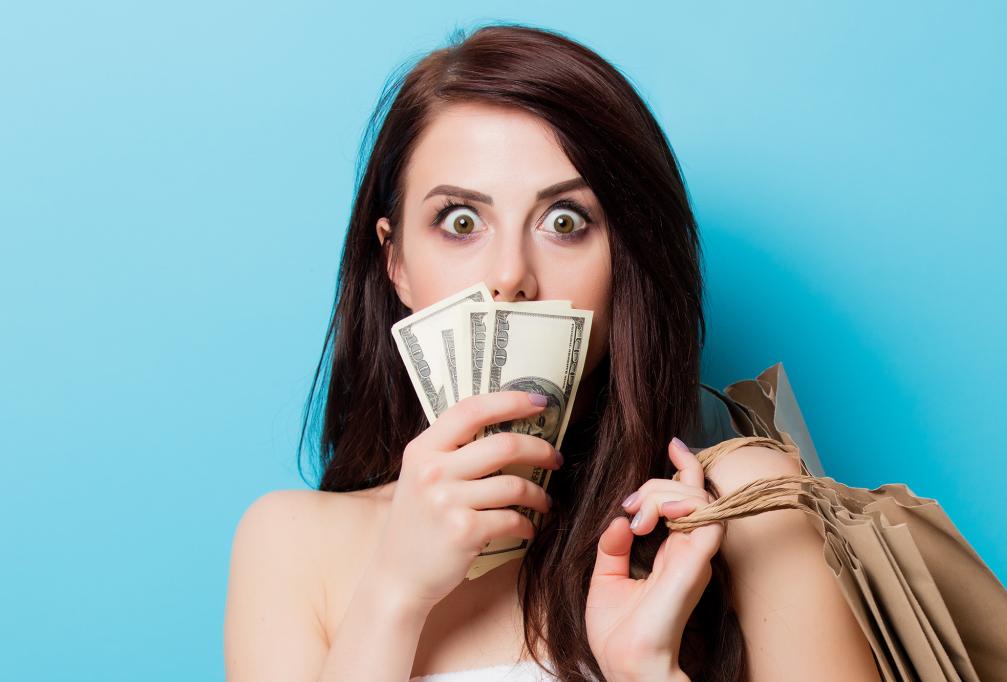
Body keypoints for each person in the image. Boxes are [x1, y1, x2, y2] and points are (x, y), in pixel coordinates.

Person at [224, 23, 881, 681]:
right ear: (396, 263)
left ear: (627, 259)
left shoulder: (747, 508)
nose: (511, 274)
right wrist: (394, 594)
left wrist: (649, 670)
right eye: (460, 221)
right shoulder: (289, 543)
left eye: (565, 222)